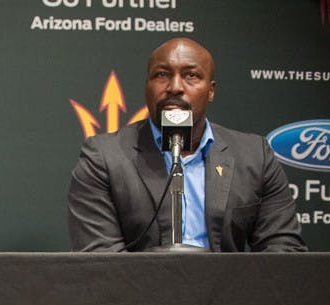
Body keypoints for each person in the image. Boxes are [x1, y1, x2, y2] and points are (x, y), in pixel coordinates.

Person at [67, 38, 306, 252]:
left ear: (210, 91)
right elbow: (100, 260)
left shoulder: (255, 155)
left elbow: (283, 249)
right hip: (139, 299)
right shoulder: (104, 156)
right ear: (146, 87)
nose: (175, 87)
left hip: (230, 297)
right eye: (162, 75)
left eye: (191, 75)